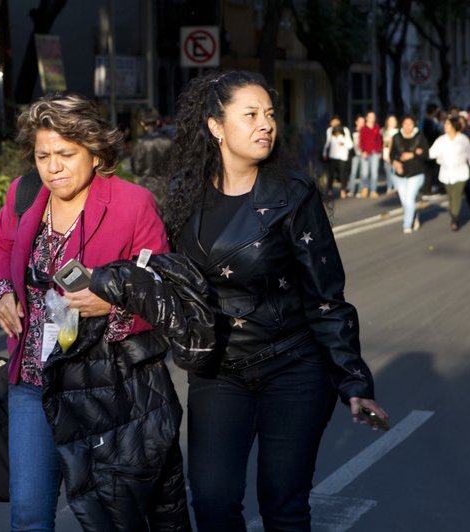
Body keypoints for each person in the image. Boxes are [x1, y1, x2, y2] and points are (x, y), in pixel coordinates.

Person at [164, 70, 388, 532]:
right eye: (250, 115)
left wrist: (354, 382)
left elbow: (327, 297)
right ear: (215, 126)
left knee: (282, 507)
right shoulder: (182, 198)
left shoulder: (293, 195)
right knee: (211, 501)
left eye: (269, 114)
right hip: (217, 372)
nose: (265, 124)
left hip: (294, 367)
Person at [0, 92, 202, 531]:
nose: (53, 166)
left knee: (112, 519)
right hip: (33, 378)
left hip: (106, 386)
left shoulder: (132, 203)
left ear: (96, 152)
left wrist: (114, 300)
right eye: (43, 155)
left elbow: (160, 284)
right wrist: (2, 290)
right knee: (28, 515)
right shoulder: (25, 193)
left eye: (65, 154)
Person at [427, 116, 470, 231]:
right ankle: (453, 212)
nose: (445, 126)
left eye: (447, 124)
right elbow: (431, 153)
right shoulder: (441, 140)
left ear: (454, 126)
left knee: (457, 195)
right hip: (446, 173)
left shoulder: (463, 139)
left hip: (460, 172)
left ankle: (454, 218)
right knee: (451, 196)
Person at [390, 115, 429, 234]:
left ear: (414, 125)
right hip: (400, 174)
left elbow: (426, 154)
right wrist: (396, 163)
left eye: (410, 124)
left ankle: (407, 224)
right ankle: (413, 215)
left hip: (416, 172)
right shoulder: (396, 137)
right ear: (402, 124)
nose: (407, 126)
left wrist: (413, 155)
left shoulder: (420, 137)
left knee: (409, 198)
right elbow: (392, 154)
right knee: (405, 201)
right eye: (405, 124)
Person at [131, 107, 174, 208]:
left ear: (142, 123)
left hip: (146, 188)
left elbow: (136, 169)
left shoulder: (141, 143)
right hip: (166, 187)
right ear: (158, 121)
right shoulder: (169, 141)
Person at [323, 124, 353, 198]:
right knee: (331, 175)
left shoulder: (344, 137)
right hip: (333, 157)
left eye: (338, 131)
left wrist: (344, 143)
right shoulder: (332, 137)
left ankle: (343, 190)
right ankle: (329, 190)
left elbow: (350, 145)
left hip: (342, 158)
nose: (337, 133)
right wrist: (324, 153)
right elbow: (327, 144)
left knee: (342, 174)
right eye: (336, 131)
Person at [359, 110, 382, 198]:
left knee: (374, 173)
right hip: (366, 152)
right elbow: (361, 141)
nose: (372, 118)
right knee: (364, 172)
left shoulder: (377, 127)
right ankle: (364, 188)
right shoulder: (363, 128)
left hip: (375, 151)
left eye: (373, 116)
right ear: (367, 118)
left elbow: (379, 139)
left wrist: (380, 151)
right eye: (370, 116)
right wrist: (363, 151)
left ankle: (373, 190)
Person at [346, 115, 364, 197]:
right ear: (356, 122)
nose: (362, 123)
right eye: (360, 121)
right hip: (355, 154)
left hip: (364, 154)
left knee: (362, 173)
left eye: (363, 122)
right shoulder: (352, 131)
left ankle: (360, 191)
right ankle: (351, 190)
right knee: (353, 172)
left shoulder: (366, 131)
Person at [382, 114, 398, 195]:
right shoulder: (384, 131)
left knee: (395, 171)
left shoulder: (397, 132)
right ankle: (389, 187)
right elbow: (383, 144)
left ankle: (396, 187)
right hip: (386, 154)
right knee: (388, 172)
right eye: (390, 120)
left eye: (393, 120)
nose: (391, 122)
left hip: (394, 155)